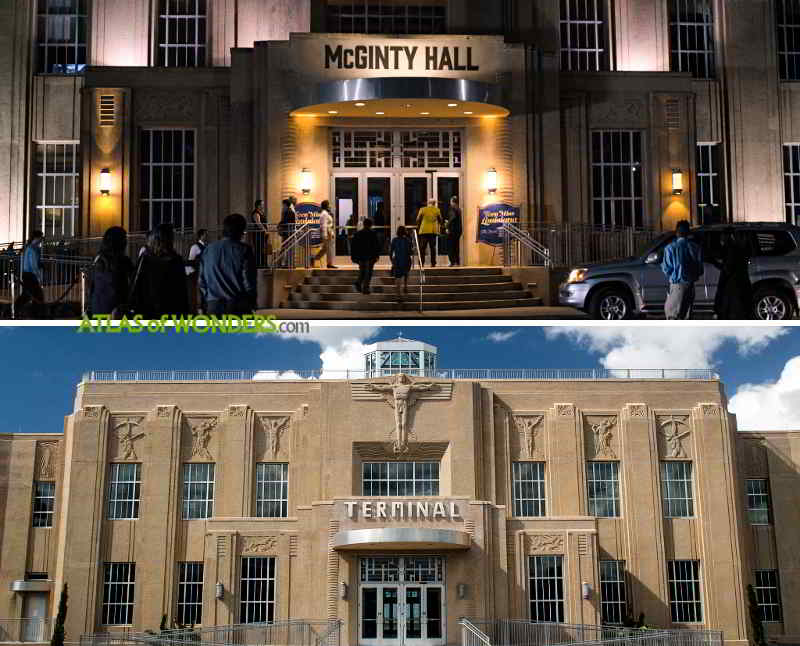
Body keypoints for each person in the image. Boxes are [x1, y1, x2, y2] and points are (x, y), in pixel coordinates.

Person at [199, 213, 257, 315]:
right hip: (237, 308)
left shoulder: (208, 250)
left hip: (213, 307)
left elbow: (201, 281)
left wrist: (209, 299)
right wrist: (251, 301)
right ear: (241, 232)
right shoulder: (244, 250)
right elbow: (249, 281)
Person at [130, 222, 189, 318]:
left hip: (148, 311)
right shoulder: (176, 260)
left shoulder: (145, 259)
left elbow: (136, 286)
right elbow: (182, 292)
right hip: (170, 311)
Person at [661, 220, 704, 320]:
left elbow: (667, 269)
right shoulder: (695, 248)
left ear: (676, 233)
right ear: (688, 232)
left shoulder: (670, 248)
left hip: (677, 286)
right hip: (691, 286)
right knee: (687, 317)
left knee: (673, 316)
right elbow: (700, 270)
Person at [90, 226, 135, 317]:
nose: (126, 241)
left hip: (97, 307)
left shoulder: (98, 258)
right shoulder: (123, 261)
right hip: (115, 310)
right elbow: (134, 281)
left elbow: (93, 285)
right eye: (124, 238)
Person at [712, 228, 752, 319]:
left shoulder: (732, 250)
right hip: (741, 286)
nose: (721, 239)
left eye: (723, 237)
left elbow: (728, 269)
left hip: (733, 288)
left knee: (734, 312)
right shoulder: (740, 249)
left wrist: (714, 262)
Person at [14, 230, 45, 318]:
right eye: (41, 238)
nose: (41, 240)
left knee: (33, 294)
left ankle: (34, 313)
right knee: (33, 295)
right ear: (37, 238)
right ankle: (33, 313)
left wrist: (40, 265)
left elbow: (34, 263)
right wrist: (38, 277)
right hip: (30, 275)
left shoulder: (31, 248)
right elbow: (33, 265)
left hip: (27, 274)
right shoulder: (32, 249)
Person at [350, 218, 381, 295]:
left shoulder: (358, 234)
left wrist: (353, 256)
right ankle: (365, 288)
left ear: (364, 224)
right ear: (371, 225)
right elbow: (376, 246)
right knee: (369, 272)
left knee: (362, 271)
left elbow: (353, 246)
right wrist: (377, 255)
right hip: (370, 256)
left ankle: (359, 282)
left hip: (361, 256)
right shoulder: (373, 234)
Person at [185, 229, 208, 313]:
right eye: (205, 234)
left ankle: (203, 307)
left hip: (204, 272)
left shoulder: (206, 246)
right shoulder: (195, 247)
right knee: (198, 292)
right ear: (201, 236)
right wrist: (192, 273)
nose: (207, 236)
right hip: (196, 273)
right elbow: (190, 261)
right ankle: (199, 308)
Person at [415, 198, 442, 267]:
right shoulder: (437, 210)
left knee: (422, 248)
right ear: (434, 203)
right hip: (433, 231)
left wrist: (419, 225)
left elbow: (417, 219)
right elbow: (440, 220)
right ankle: (433, 263)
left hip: (423, 231)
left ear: (428, 203)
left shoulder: (423, 209)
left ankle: (421, 263)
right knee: (432, 248)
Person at [390, 225, 413, 301]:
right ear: (404, 232)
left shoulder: (394, 240)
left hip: (397, 260)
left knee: (397, 277)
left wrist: (392, 261)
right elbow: (410, 251)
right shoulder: (407, 240)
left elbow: (390, 252)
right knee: (406, 273)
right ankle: (405, 286)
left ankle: (398, 295)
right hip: (406, 260)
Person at [311, 200, 337, 268]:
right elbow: (324, 225)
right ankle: (329, 264)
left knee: (325, 249)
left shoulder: (326, 213)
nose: (330, 206)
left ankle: (314, 258)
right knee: (329, 248)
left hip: (329, 232)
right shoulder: (324, 214)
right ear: (326, 206)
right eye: (329, 205)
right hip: (327, 232)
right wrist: (325, 234)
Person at [445, 196, 462, 266]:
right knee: (456, 247)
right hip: (458, 230)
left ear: (452, 201)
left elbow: (452, 217)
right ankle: (457, 262)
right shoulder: (458, 208)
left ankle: (452, 262)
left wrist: (447, 225)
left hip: (452, 230)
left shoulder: (452, 208)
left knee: (450, 247)